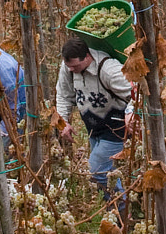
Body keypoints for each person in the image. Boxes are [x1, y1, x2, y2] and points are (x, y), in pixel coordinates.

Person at [55, 33, 134, 217]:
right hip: (93, 129)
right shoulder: (68, 68)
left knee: (96, 170)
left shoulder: (109, 70)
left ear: (88, 57)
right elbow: (63, 94)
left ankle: (122, 212)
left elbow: (138, 90)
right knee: (109, 174)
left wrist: (131, 112)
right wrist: (63, 121)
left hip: (115, 129)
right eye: (69, 66)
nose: (72, 70)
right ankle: (117, 214)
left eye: (75, 66)